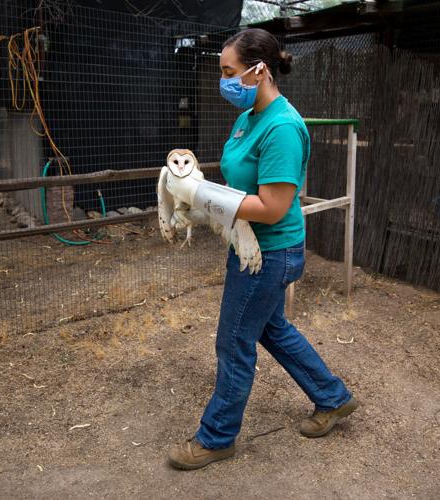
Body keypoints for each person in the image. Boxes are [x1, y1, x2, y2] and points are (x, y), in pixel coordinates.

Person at [163, 28, 358, 471]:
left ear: (259, 70)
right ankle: (332, 397)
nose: (224, 81)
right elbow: (240, 182)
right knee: (272, 330)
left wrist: (201, 195)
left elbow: (272, 207)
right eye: (222, 73)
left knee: (234, 343)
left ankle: (216, 438)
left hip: (269, 253)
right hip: (251, 246)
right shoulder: (249, 115)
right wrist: (198, 194)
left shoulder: (283, 128)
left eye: (229, 72)